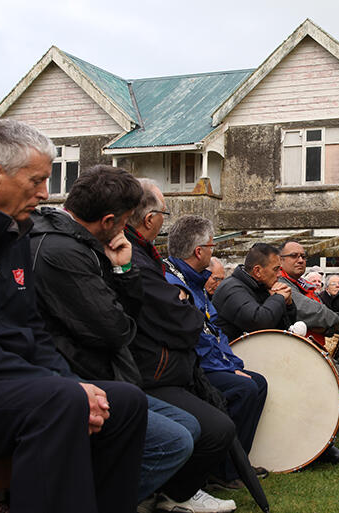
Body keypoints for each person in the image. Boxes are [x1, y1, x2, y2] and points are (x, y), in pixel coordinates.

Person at [0, 119, 148, 513]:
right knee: (60, 401)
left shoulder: (15, 232)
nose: (46, 194)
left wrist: (72, 382)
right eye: (36, 181)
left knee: (125, 402)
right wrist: (57, 385)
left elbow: (32, 331)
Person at [30, 168, 233, 513]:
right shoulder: (62, 251)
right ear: (109, 220)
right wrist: (126, 276)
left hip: (106, 373)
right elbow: (118, 328)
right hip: (82, 377)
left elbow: (124, 319)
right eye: (126, 221)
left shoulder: (91, 246)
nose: (129, 228)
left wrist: (122, 272)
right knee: (177, 438)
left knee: (189, 426)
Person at [118, 182, 238, 510]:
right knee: (213, 428)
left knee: (227, 410)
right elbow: (182, 322)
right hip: (151, 373)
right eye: (162, 214)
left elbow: (191, 320)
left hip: (167, 367)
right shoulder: (135, 257)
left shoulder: (143, 255)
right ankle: (173, 493)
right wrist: (187, 311)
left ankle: (176, 491)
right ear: (149, 219)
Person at [161, 213, 268, 484]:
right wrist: (229, 370)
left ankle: (239, 461)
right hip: (192, 370)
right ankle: (223, 470)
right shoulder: (174, 284)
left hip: (209, 363)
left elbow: (215, 332)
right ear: (199, 251)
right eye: (211, 247)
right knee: (244, 389)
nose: (213, 252)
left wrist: (233, 366)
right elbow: (197, 341)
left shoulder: (193, 282)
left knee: (258, 382)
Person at [274, 240, 339, 464]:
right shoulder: (281, 283)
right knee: (328, 386)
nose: (300, 259)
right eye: (294, 255)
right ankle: (318, 442)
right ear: (280, 260)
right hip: (297, 353)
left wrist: (324, 321)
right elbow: (312, 313)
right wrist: (330, 321)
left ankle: (321, 436)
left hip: (316, 349)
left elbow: (320, 312)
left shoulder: (301, 284)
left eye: (303, 255)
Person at [212, 243, 296, 342]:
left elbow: (284, 328)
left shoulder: (260, 286)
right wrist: (278, 297)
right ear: (257, 271)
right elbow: (258, 323)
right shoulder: (231, 289)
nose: (279, 274)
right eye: (275, 269)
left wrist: (288, 304)